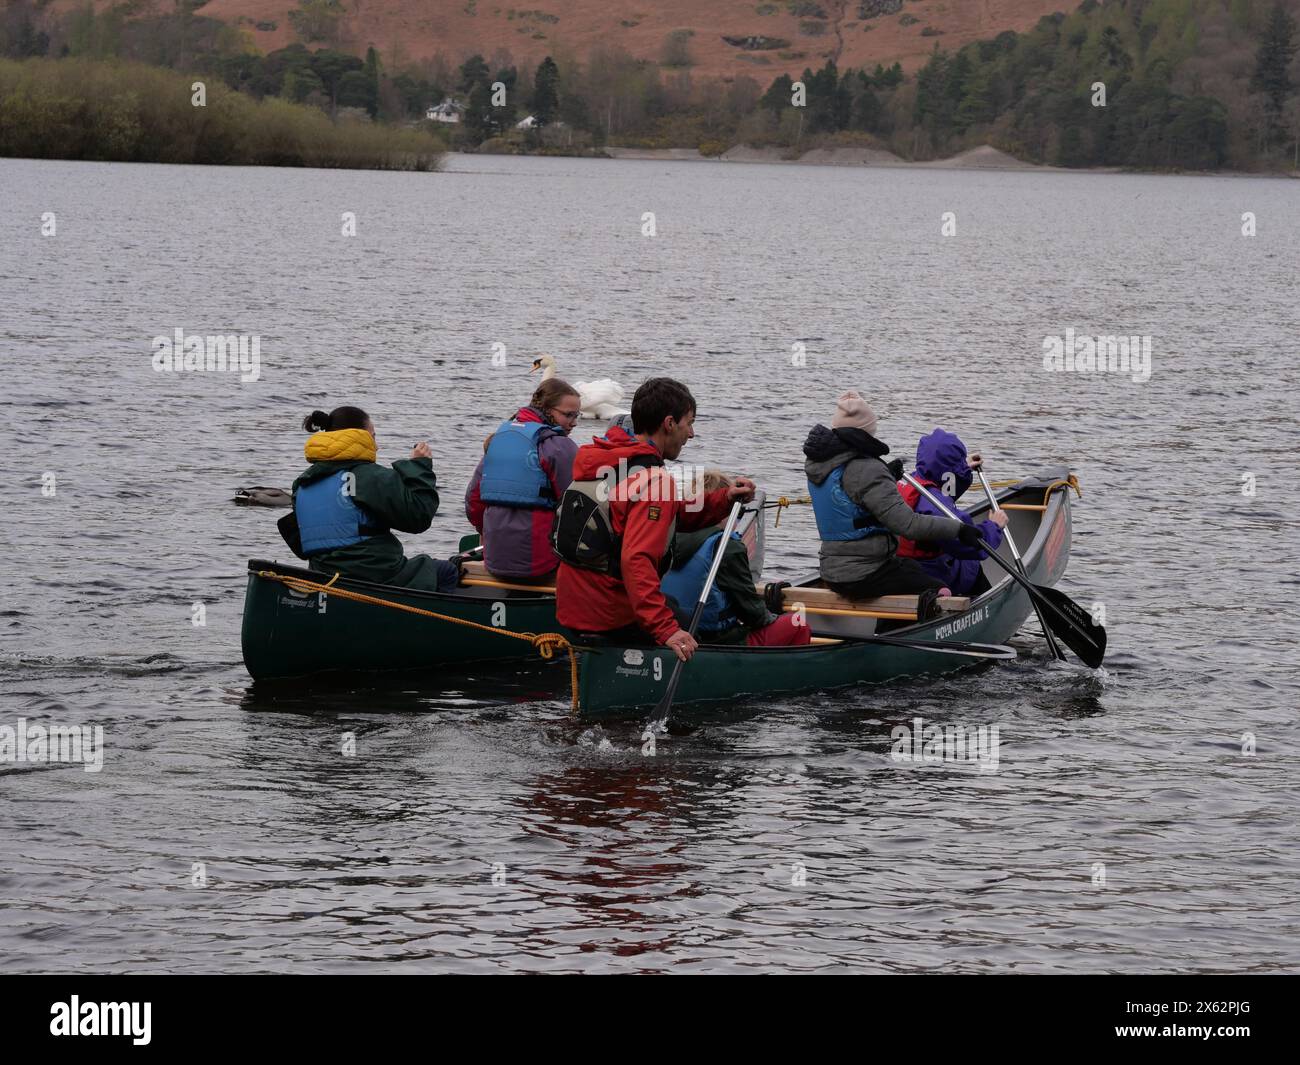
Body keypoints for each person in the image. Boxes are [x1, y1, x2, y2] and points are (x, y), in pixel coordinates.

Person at [553, 377, 755, 661]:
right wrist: (667, 630)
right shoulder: (654, 481)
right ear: (670, 423)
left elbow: (668, 514)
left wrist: (724, 499)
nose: (692, 433)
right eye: (689, 422)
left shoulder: (608, 461)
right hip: (611, 616)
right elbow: (636, 560)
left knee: (670, 604)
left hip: (573, 608)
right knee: (699, 630)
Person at [802, 390, 983, 606]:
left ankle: (883, 627)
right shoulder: (868, 470)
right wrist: (959, 529)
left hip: (831, 569)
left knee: (911, 568)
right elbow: (908, 524)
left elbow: (851, 491)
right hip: (864, 572)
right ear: (865, 433)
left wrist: (886, 475)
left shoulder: (822, 466)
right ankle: (906, 633)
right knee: (939, 589)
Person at [282, 405, 459, 591]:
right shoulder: (367, 476)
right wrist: (419, 467)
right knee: (447, 571)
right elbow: (418, 517)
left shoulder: (302, 484)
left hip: (324, 576)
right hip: (373, 576)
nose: (377, 445)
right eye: (373, 437)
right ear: (360, 437)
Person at [663, 470, 811, 646]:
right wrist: (772, 614)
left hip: (673, 633)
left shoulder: (666, 539)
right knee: (798, 622)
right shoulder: (726, 546)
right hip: (717, 640)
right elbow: (754, 615)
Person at [464, 378, 581, 580]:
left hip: (494, 560)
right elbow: (576, 508)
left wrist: (486, 532)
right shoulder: (560, 447)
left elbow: (473, 502)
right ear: (546, 409)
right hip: (542, 565)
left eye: (577, 415)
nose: (574, 422)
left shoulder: (499, 439)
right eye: (568, 415)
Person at [896, 429, 1008, 596]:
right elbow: (973, 546)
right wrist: (995, 526)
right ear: (949, 471)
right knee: (971, 566)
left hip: (902, 567)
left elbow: (942, 491)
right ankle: (989, 610)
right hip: (931, 572)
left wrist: (963, 469)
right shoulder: (936, 506)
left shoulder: (908, 482)